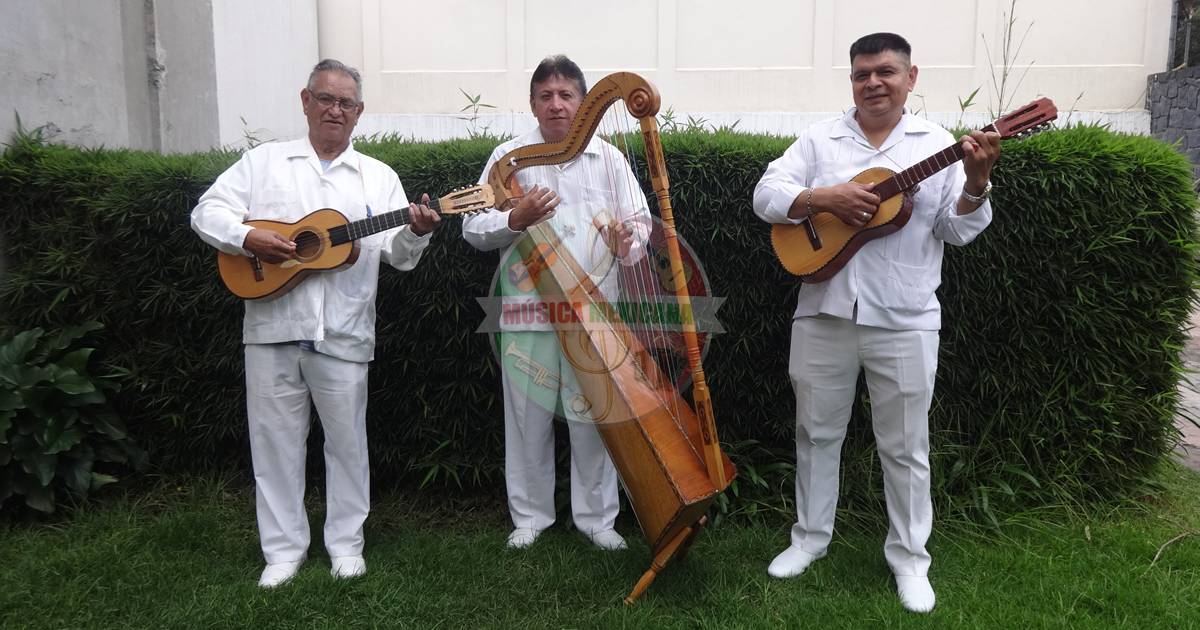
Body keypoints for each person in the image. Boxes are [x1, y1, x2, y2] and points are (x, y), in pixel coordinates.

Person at [752, 33, 1000, 613]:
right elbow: (767, 193)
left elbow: (955, 230)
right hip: (822, 313)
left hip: (907, 317)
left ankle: (910, 559)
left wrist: (977, 182)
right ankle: (809, 540)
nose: (872, 82)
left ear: (911, 78)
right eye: (862, 73)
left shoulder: (939, 146)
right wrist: (822, 199)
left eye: (885, 72)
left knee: (907, 446)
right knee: (815, 434)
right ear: (852, 81)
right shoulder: (819, 139)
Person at [190, 59, 441, 588]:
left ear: (359, 113)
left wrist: (418, 231)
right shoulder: (263, 163)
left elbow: (398, 254)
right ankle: (283, 552)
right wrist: (246, 237)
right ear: (305, 101)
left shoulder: (378, 177)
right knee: (274, 443)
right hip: (271, 326)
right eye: (325, 99)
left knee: (347, 444)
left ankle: (347, 545)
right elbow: (206, 212)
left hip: (345, 332)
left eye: (345, 103)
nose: (335, 110)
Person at [462, 54, 651, 551]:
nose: (556, 104)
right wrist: (513, 218)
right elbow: (471, 228)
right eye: (545, 95)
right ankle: (530, 518)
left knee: (593, 416)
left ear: (584, 104)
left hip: (595, 313)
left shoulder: (609, 158)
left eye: (567, 95)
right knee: (526, 416)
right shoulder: (508, 160)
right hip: (527, 311)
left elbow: (641, 228)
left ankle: (597, 520)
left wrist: (624, 238)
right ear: (532, 103)